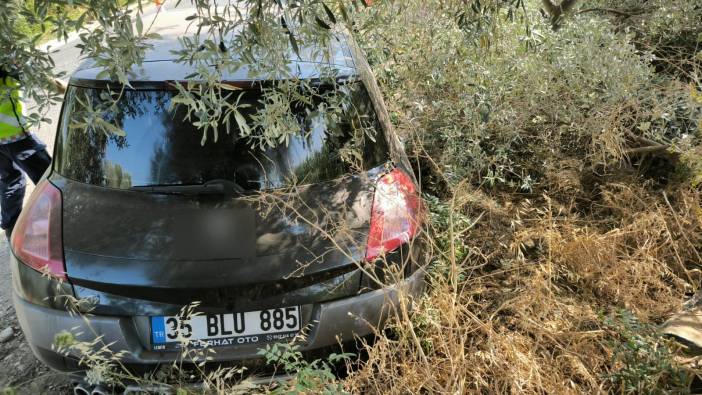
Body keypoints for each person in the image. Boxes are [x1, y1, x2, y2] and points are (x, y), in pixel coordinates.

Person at [0, 65, 66, 241]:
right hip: (18, 137)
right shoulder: (8, 59)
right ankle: (65, 222)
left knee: (10, 181)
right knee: (51, 178)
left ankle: (11, 228)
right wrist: (74, 90)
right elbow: (49, 83)